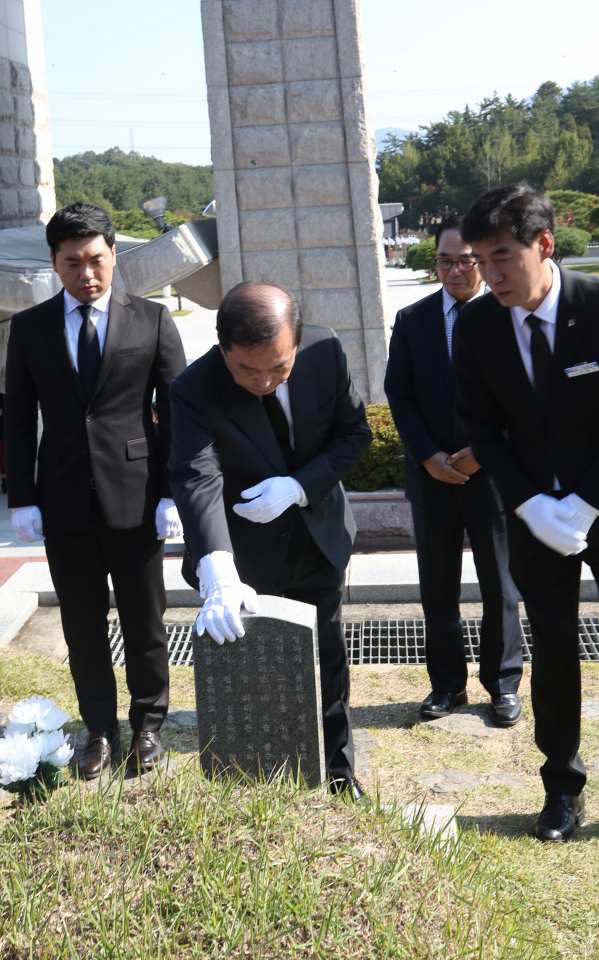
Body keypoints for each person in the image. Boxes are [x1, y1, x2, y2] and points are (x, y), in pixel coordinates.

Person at [454, 183, 599, 842]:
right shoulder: (476, 326)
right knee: (554, 653)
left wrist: (589, 503)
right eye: (480, 259)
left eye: (503, 256)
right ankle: (562, 788)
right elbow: (482, 425)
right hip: (533, 518)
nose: (491, 274)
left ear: (544, 244)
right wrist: (531, 503)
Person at [169, 281, 372, 801]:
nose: (263, 381)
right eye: (246, 369)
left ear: (297, 345)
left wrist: (299, 486)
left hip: (316, 537)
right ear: (222, 352)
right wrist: (218, 572)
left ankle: (339, 777)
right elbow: (196, 476)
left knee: (327, 661)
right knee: (252, 672)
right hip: (245, 556)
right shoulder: (193, 389)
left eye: (279, 368)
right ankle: (258, 787)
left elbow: (353, 436)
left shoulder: (326, 351)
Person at [5, 203, 186, 779]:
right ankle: (100, 731)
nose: (87, 273)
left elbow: (176, 414)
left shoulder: (152, 320)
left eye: (97, 260)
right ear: (54, 264)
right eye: (73, 262)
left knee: (145, 621)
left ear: (114, 255)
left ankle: (148, 726)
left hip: (136, 498)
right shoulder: (29, 329)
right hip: (61, 501)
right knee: (81, 625)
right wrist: (22, 497)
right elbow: (17, 418)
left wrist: (171, 492)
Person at [385, 216, 522, 726]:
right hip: (432, 477)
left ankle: (503, 685)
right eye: (447, 260)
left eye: (468, 259)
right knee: (437, 587)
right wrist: (428, 457)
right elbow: (399, 393)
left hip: (493, 475)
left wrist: (481, 452)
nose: (458, 269)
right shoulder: (412, 318)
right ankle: (446, 685)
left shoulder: (510, 316)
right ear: (435, 263)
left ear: (483, 262)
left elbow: (523, 399)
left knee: (500, 585)